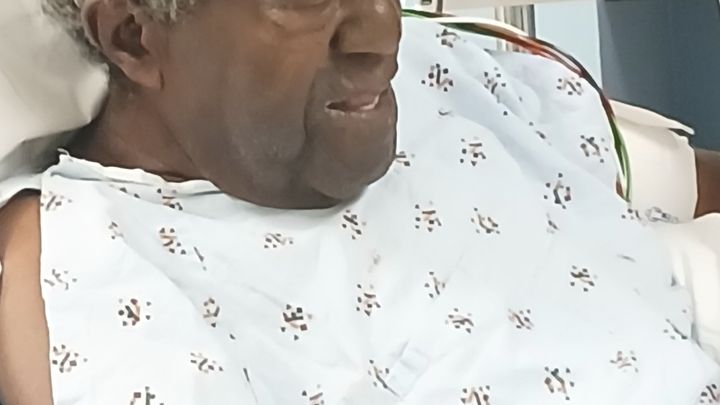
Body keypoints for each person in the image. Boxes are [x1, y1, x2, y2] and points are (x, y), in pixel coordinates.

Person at [1, 0, 720, 404]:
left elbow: (678, 183)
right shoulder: (87, 276)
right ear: (133, 38)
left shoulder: (452, 72)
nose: (383, 33)